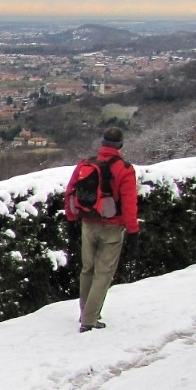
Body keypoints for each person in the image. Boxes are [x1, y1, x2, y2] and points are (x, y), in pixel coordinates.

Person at [64, 127, 140, 333]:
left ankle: (84, 312)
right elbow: (129, 204)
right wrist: (133, 232)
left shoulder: (86, 164)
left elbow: (70, 192)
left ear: (103, 143)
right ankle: (90, 319)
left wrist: (71, 220)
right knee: (103, 273)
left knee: (87, 269)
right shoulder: (124, 169)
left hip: (88, 223)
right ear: (120, 146)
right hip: (112, 227)